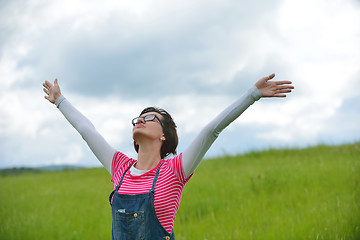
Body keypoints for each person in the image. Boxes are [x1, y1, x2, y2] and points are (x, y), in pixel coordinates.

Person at [42, 73, 293, 240]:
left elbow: (211, 130)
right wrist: (59, 100)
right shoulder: (120, 167)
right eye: (138, 117)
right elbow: (87, 131)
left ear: (164, 135)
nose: (141, 119)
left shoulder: (174, 170)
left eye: (150, 118)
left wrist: (252, 94)